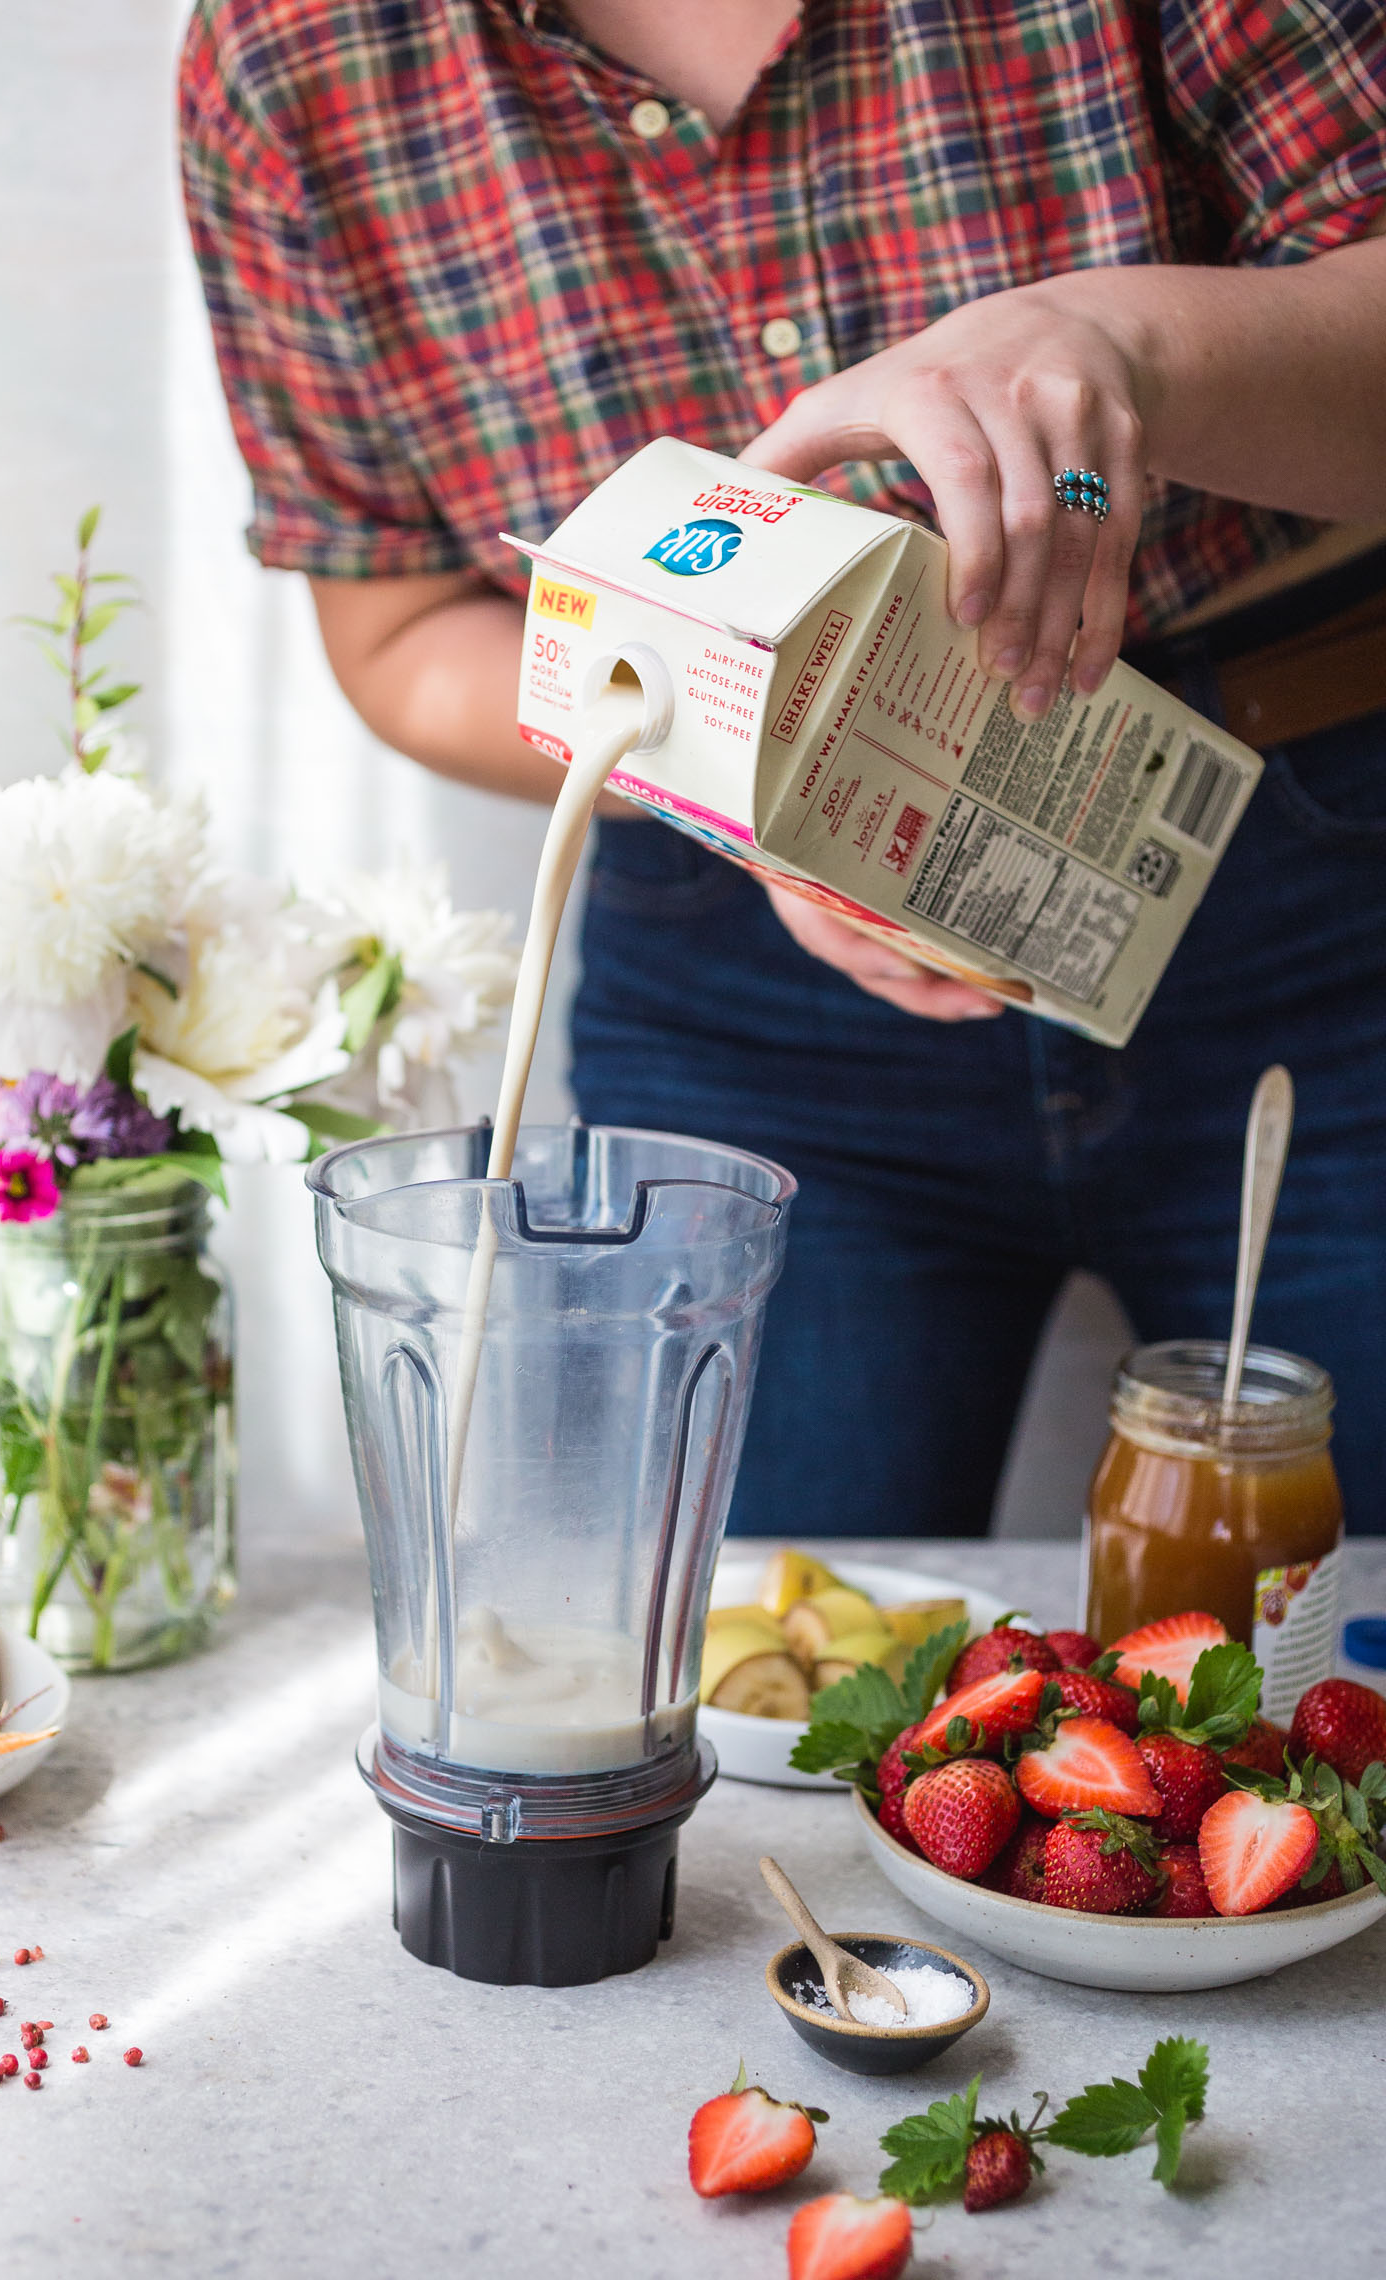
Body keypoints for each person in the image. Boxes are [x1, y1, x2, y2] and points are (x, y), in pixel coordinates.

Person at [180, 1, 1386, 1535]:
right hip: (745, 982)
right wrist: (733, 765)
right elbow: (400, 624)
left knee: (1339, 1652)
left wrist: (1124, 352)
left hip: (1311, 879)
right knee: (746, 1664)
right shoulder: (296, 54)